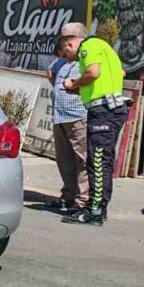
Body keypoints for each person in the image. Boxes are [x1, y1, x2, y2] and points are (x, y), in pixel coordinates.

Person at [58, 22, 126, 225]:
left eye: (65, 53)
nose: (67, 58)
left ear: (70, 44)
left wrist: (75, 82)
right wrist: (81, 89)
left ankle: (93, 210)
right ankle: (99, 208)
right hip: (111, 108)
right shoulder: (105, 48)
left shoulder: (88, 46)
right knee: (103, 161)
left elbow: (93, 72)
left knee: (96, 161)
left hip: (103, 111)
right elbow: (118, 74)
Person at [47, 40, 88, 215]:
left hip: (78, 115)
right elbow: (49, 71)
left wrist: (75, 85)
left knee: (82, 158)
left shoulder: (86, 60)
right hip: (60, 115)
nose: (63, 54)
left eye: (66, 49)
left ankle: (83, 200)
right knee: (64, 158)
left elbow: (94, 75)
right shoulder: (62, 63)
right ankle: (68, 195)